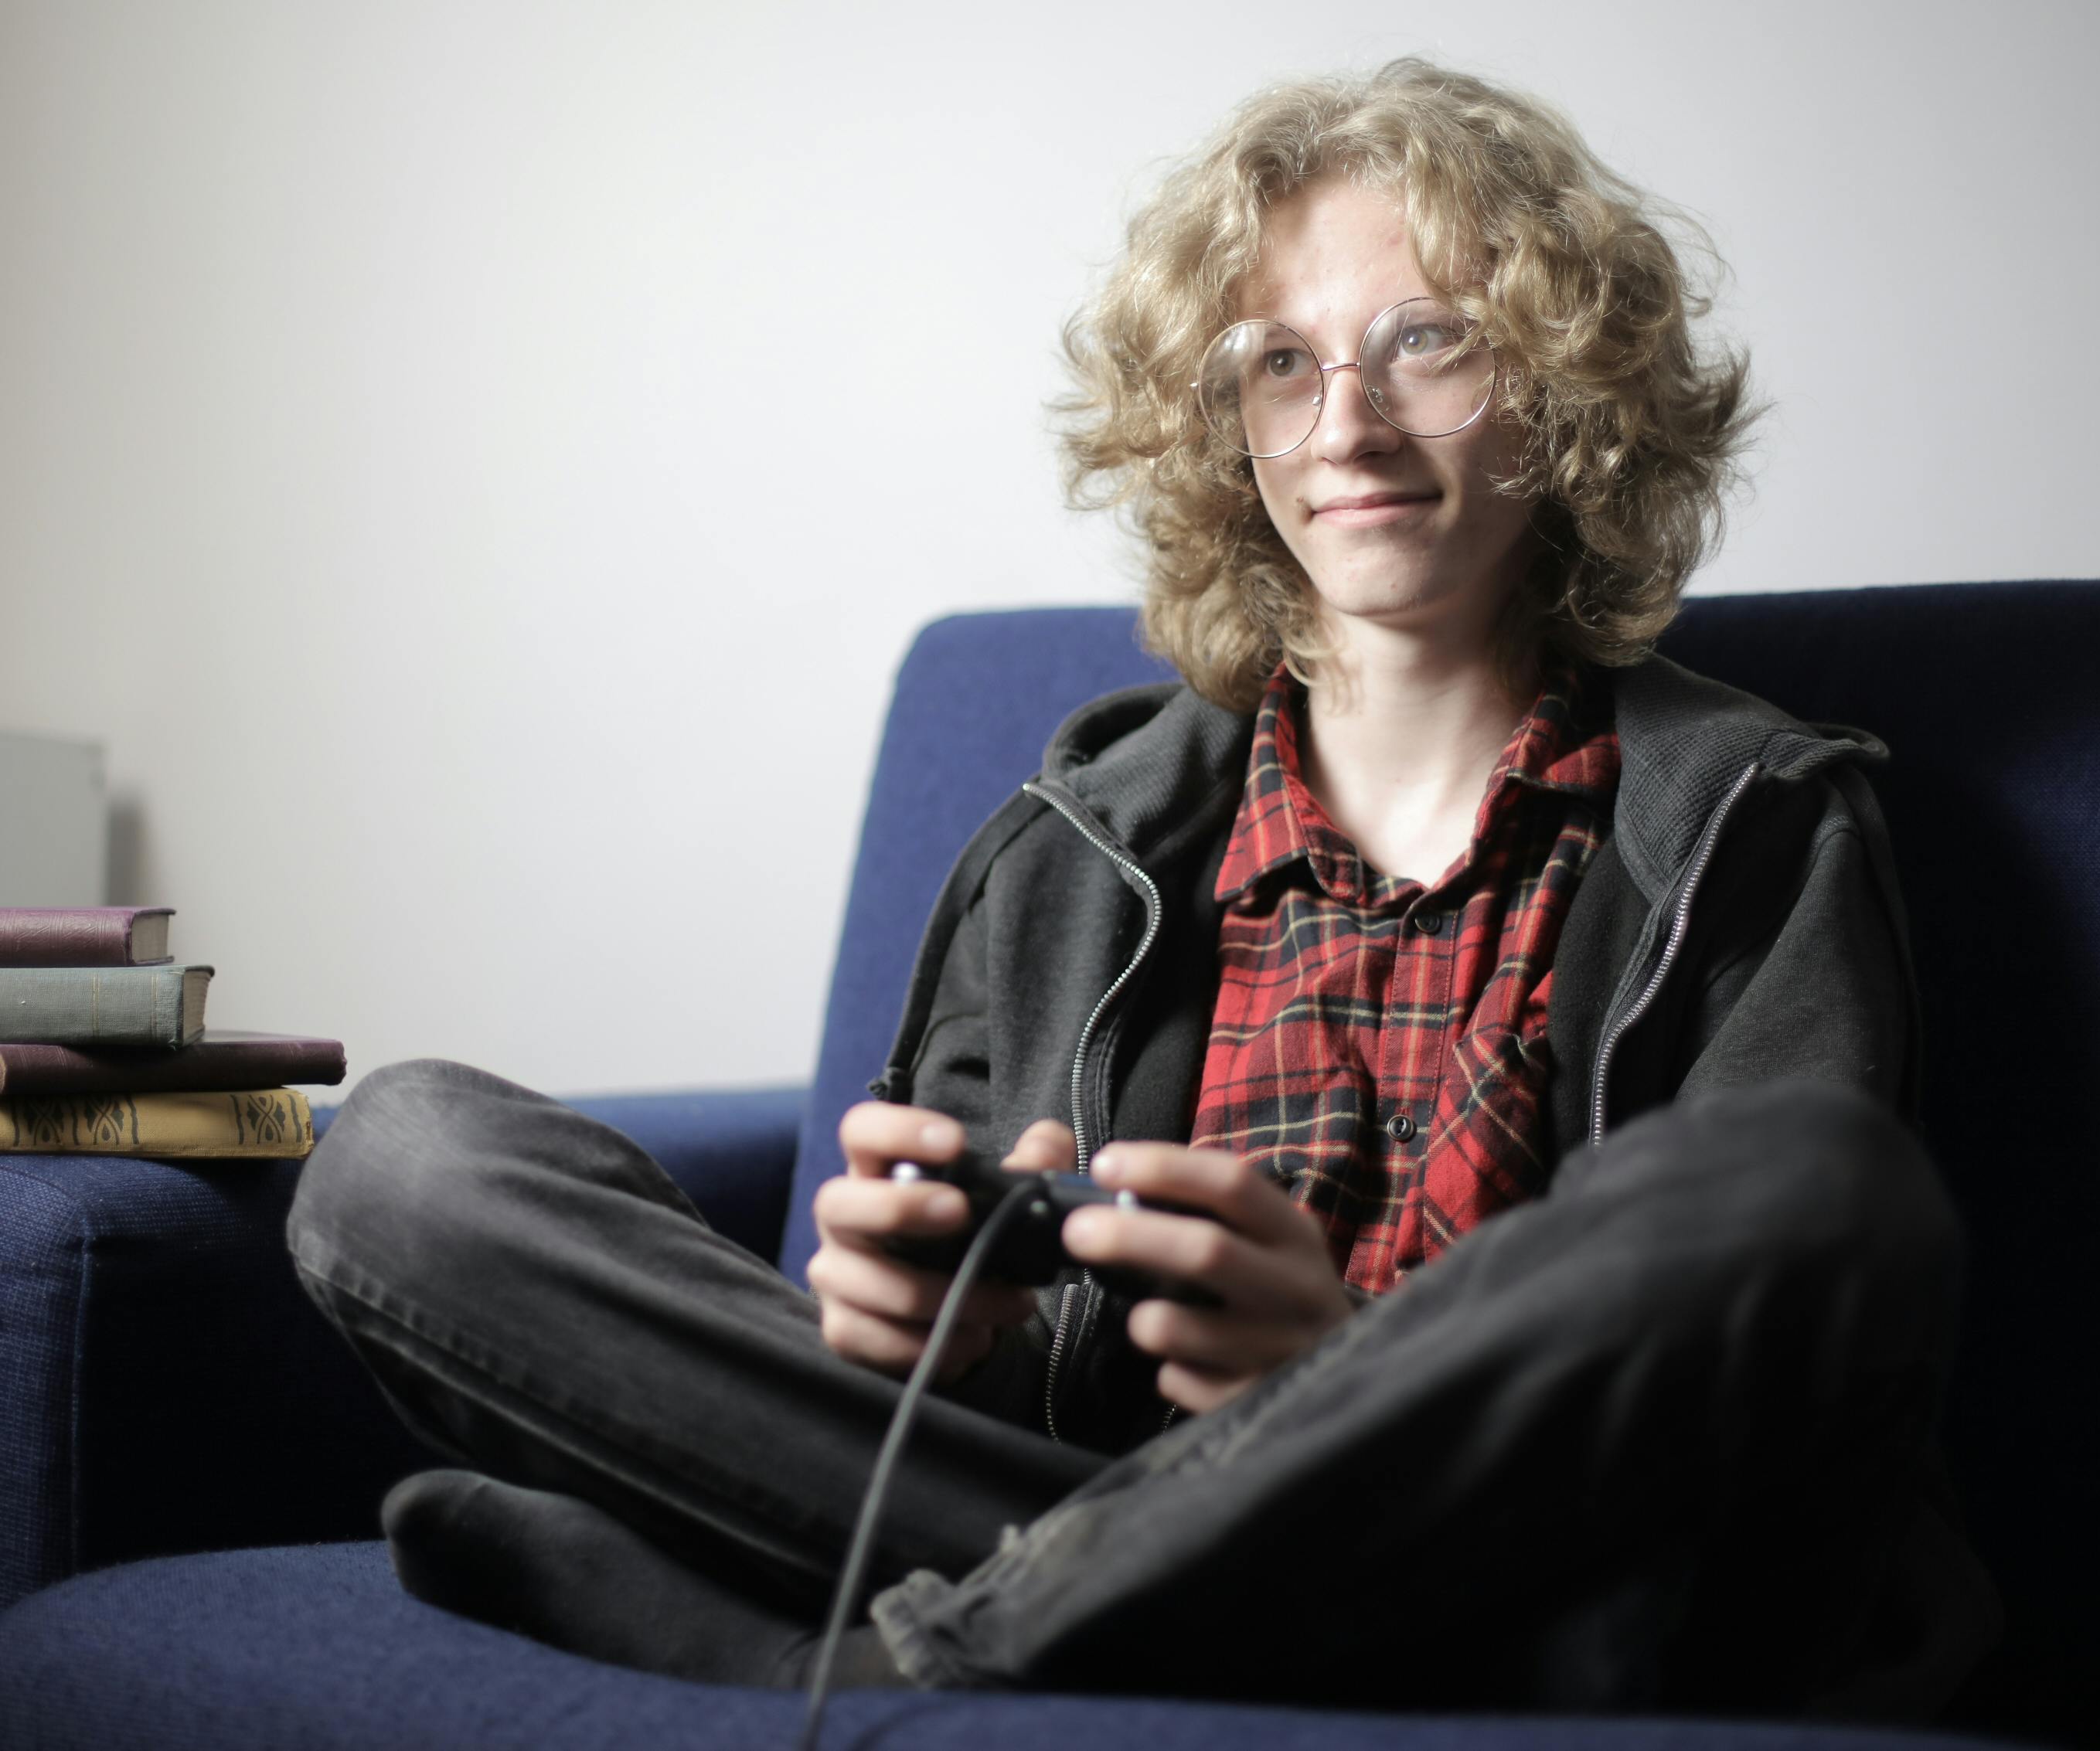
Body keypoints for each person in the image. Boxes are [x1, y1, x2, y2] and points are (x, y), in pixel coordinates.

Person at [285, 58, 2001, 1723]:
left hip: (1556, 1559)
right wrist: (921, 1338)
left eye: (1428, 340)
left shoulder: (1758, 818)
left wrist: (1348, 1363)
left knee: (1823, 1183)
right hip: (1102, 1497)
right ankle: (1136, 1623)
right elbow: (951, 1363)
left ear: (1562, 385)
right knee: (404, 1162)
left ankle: (876, 1651)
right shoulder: (1074, 838)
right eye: (1279, 361)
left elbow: (1763, 1393)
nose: (1348, 423)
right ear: (1220, 426)